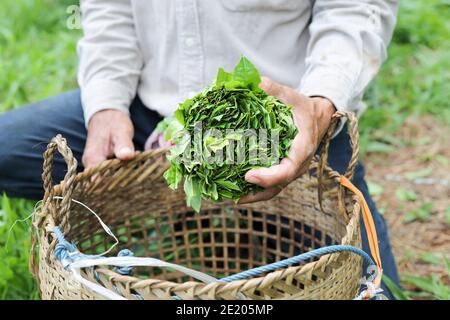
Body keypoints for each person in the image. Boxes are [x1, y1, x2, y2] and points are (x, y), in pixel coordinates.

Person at [0, 1, 400, 298]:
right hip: (150, 107)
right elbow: (109, 9)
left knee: (371, 288)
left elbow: (355, 8)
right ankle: (173, 212)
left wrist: (320, 103)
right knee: (7, 148)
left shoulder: (303, 118)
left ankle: (264, 225)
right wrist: (106, 104)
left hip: (286, 125)